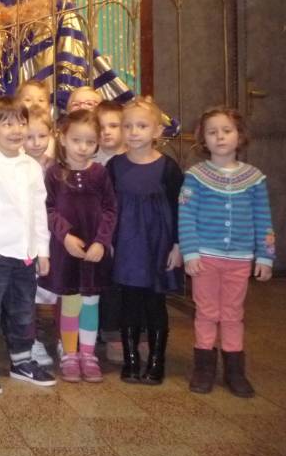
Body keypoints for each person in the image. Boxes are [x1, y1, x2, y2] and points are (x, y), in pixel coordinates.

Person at [179, 107, 275, 397]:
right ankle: (204, 368)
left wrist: (265, 255)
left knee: (233, 314)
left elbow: (263, 218)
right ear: (203, 139)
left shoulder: (254, 178)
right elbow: (186, 215)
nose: (220, 137)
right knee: (207, 312)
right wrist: (190, 252)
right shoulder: (196, 176)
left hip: (240, 260)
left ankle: (235, 370)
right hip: (205, 258)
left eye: (226, 130)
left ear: (240, 136)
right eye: (212, 132)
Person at [0, 96, 56, 395]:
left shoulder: (31, 166)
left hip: (25, 253)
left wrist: (42, 250)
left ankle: (21, 359)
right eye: (7, 124)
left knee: (23, 310)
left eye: (21, 123)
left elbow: (38, 211)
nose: (16, 130)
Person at [107, 97, 184, 385]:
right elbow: (107, 207)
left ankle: (156, 360)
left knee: (155, 303)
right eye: (128, 126)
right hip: (127, 245)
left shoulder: (168, 168)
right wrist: (108, 240)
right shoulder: (115, 166)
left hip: (157, 245)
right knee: (129, 302)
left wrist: (177, 245)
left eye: (142, 126)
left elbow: (179, 208)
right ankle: (130, 360)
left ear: (157, 131)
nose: (134, 132)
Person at [40, 110, 117, 382]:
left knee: (91, 302)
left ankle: (88, 354)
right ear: (62, 139)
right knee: (71, 302)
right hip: (67, 251)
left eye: (90, 142)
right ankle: (70, 354)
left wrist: (101, 242)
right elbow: (48, 209)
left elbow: (110, 210)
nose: (83, 147)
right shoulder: (54, 174)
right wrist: (66, 236)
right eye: (76, 140)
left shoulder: (100, 173)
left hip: (94, 252)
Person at [93, 100, 127, 364]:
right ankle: (105, 330)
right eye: (100, 126)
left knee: (124, 281)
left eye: (113, 125)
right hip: (97, 233)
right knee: (101, 283)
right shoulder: (90, 161)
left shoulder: (130, 160)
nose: (106, 132)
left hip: (126, 232)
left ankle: (128, 330)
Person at [23, 107, 57, 366]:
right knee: (27, 292)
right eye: (29, 137)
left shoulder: (56, 167)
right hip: (25, 237)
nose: (36, 143)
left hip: (53, 236)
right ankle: (30, 340)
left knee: (55, 289)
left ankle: (62, 338)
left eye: (42, 136)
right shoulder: (16, 166)